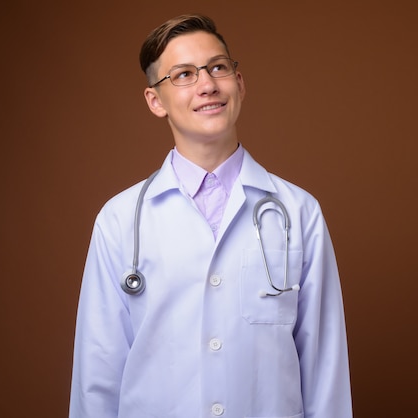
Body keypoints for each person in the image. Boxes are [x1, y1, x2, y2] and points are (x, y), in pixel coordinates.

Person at [69, 13, 352, 418]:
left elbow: (325, 367)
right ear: (155, 101)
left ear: (240, 83)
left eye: (218, 67)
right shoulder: (119, 220)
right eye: (183, 74)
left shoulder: (298, 212)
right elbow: (97, 372)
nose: (207, 85)